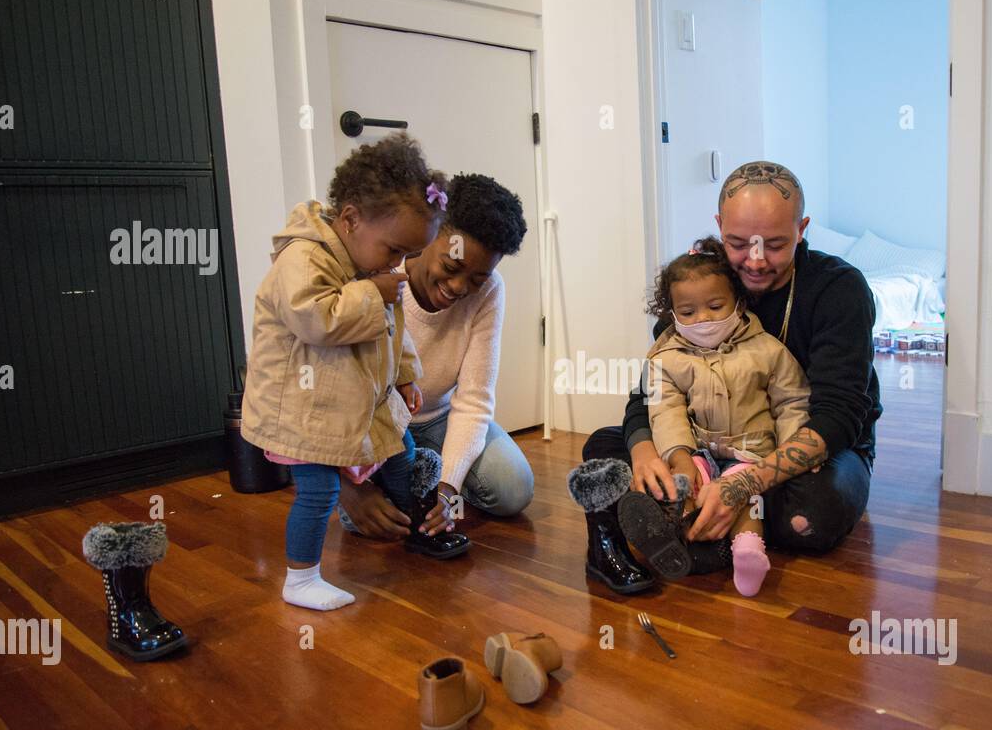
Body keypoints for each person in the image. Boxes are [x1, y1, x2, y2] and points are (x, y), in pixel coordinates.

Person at [569, 160, 881, 594]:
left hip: (808, 449)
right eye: (737, 243)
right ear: (719, 226)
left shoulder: (839, 290)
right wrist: (645, 454)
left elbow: (839, 415)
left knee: (812, 517)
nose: (754, 261)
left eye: (775, 244)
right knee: (605, 446)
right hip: (705, 446)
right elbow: (650, 390)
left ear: (802, 228)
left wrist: (747, 482)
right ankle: (713, 525)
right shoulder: (699, 286)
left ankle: (696, 523)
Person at [241, 132, 466, 612]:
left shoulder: (366, 265)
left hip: (359, 397)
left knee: (403, 449)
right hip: (303, 409)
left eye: (407, 254)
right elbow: (316, 318)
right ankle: (300, 578)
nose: (398, 265)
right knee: (319, 490)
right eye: (393, 250)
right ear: (350, 219)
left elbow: (394, 328)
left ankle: (414, 522)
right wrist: (374, 292)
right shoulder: (301, 259)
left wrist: (405, 373)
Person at [337, 173, 535, 540]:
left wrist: (447, 490)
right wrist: (352, 490)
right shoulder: (378, 274)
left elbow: (474, 399)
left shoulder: (490, 291)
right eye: (451, 267)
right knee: (370, 522)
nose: (460, 287)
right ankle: (371, 482)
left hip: (437, 420)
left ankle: (423, 479)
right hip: (372, 424)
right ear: (430, 235)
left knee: (513, 489)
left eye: (477, 278)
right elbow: (326, 396)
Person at [616, 236, 810, 597]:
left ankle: (748, 552)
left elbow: (791, 402)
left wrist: (789, 449)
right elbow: (665, 409)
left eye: (715, 306)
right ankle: (675, 533)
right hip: (698, 449)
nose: (702, 319)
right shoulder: (665, 358)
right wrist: (679, 455)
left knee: (744, 494)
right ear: (671, 313)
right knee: (686, 483)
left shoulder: (767, 349)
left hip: (752, 454)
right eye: (688, 313)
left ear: (738, 300)